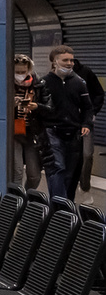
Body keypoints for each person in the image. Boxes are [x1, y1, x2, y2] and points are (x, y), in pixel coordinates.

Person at [34, 45, 95, 203]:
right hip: (52, 132)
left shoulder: (79, 83)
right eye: (65, 60)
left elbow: (88, 107)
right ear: (55, 61)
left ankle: (67, 205)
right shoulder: (44, 83)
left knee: (71, 173)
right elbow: (38, 109)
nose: (70, 63)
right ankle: (58, 207)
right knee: (57, 168)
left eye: (71, 60)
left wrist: (86, 124)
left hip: (74, 132)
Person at [73, 56, 103, 204]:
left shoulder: (86, 72)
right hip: (66, 122)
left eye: (69, 59)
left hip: (86, 120)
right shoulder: (55, 76)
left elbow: (99, 93)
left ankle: (85, 187)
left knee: (87, 154)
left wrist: (93, 112)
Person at [11, 54, 41, 191]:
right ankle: (16, 203)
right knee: (17, 172)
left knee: (34, 175)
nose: (20, 75)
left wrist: (36, 107)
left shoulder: (37, 85)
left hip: (31, 132)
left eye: (23, 72)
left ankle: (28, 197)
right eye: (17, 72)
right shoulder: (6, 86)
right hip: (14, 131)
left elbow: (48, 107)